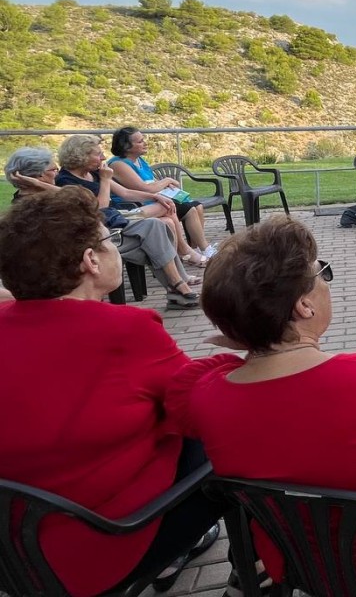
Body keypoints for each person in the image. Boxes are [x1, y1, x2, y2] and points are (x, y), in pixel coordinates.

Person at [166, 216, 356, 597]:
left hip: (292, 557)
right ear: (304, 306)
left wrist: (249, 334)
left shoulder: (204, 394)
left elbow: (198, 378)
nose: (326, 281)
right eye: (321, 272)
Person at [0, 188, 221, 597]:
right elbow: (198, 408)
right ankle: (250, 570)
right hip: (97, 549)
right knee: (222, 441)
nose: (114, 248)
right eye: (109, 241)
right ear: (90, 261)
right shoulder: (126, 331)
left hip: (11, 554)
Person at [5, 146, 200, 308]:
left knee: (157, 228)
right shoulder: (32, 204)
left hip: (103, 234)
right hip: (89, 248)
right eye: (52, 170)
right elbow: (90, 203)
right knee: (155, 233)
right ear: (37, 175)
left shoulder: (52, 192)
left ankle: (178, 287)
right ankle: (177, 287)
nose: (57, 172)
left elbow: (90, 200)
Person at [108, 126, 217, 262]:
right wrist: (167, 180)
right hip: (135, 206)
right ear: (127, 146)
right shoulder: (118, 164)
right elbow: (146, 189)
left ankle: (195, 249)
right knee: (187, 209)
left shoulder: (140, 161)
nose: (145, 143)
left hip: (153, 201)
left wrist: (165, 185)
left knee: (196, 206)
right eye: (140, 141)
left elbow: (152, 182)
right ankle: (193, 251)